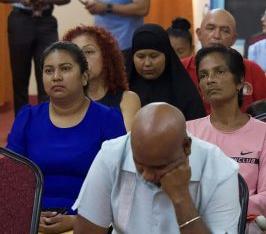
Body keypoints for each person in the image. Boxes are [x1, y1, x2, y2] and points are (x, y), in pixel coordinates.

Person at [7, 41, 126, 233]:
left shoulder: (107, 119)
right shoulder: (27, 117)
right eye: (48, 71)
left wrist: (77, 221)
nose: (56, 77)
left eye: (65, 69)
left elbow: (120, 184)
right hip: (31, 222)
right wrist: (29, 215)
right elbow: (11, 179)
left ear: (84, 76)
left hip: (88, 223)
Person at [72, 102, 241, 234]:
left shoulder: (220, 171)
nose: (147, 176)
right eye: (139, 165)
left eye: (158, 167)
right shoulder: (113, 154)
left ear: (186, 147)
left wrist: (182, 198)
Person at [187, 45, 266, 233]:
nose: (210, 80)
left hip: (247, 224)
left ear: (240, 81)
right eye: (203, 75)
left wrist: (227, 208)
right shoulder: (187, 131)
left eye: (219, 72)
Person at [0, 0, 71, 115]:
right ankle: (21, 126)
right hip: (20, 21)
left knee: (47, 75)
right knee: (20, 77)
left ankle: (46, 123)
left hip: (46, 23)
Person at [182, 8, 266, 113]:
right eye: (210, 28)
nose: (216, 36)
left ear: (234, 39)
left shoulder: (252, 70)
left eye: (225, 31)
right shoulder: (181, 68)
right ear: (199, 34)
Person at [63, 25, 141, 131]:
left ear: (106, 56)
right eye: (76, 54)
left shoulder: (127, 99)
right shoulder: (62, 100)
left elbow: (124, 144)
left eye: (88, 52)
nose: (82, 59)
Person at [129, 23, 205, 120]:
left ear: (167, 56)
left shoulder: (183, 91)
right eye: (141, 56)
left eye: (154, 56)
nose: (147, 63)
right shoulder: (124, 89)